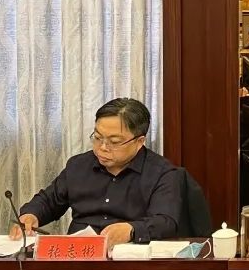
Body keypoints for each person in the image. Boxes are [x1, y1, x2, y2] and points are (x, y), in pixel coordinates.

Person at [10, 98, 181, 247]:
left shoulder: (162, 173)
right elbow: (48, 201)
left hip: (129, 260)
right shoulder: (78, 165)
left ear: (139, 142)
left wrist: (132, 230)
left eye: (114, 141)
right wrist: (31, 215)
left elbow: (166, 221)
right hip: (78, 258)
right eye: (98, 138)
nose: (102, 147)